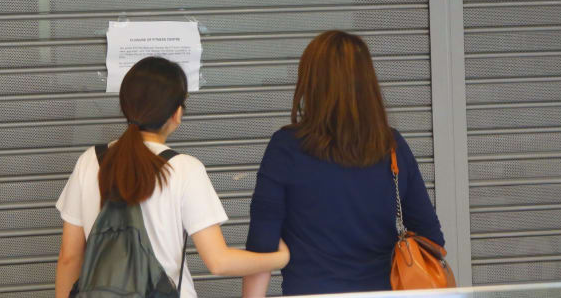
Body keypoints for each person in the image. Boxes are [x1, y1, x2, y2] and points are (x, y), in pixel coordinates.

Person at [55, 56, 289, 298]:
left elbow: (69, 257)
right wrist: (279, 259)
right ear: (177, 113)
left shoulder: (89, 161)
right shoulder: (185, 170)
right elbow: (219, 261)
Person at [243, 30, 444, 296]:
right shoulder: (391, 145)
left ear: (311, 83)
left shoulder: (286, 147)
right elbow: (432, 239)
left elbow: (262, 247)